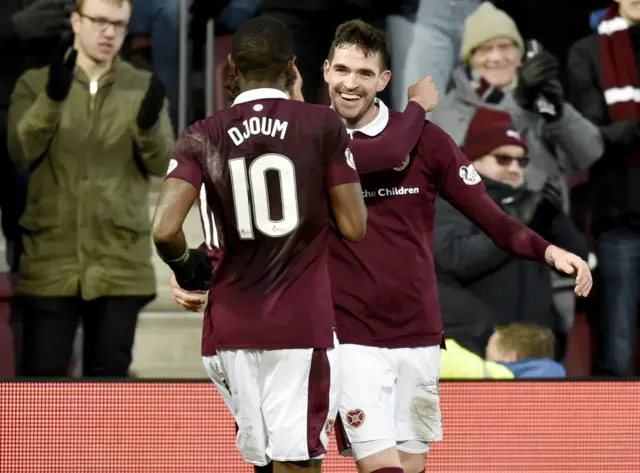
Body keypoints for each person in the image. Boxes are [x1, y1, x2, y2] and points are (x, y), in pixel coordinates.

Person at [321, 20, 591, 473]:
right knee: (380, 467)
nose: (351, 84)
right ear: (326, 70)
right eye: (343, 70)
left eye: (364, 74)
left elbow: (490, 217)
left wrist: (548, 250)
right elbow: (379, 156)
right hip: (352, 337)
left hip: (420, 335)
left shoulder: (429, 142)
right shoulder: (314, 139)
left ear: (383, 80)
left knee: (413, 466)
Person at [152, 16, 367, 473]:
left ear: (231, 66)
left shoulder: (199, 134)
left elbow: (164, 229)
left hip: (228, 331)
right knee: (298, 462)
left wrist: (189, 269)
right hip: (298, 328)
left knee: (263, 460)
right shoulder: (322, 125)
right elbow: (353, 225)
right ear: (293, 67)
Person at [7, 0, 174, 377]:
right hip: (52, 259)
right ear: (76, 21)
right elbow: (20, 149)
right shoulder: (35, 83)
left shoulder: (142, 85)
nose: (109, 32)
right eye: (99, 21)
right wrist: (51, 100)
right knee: (42, 387)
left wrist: (148, 127)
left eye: (119, 24)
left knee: (110, 389)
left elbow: (163, 164)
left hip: (119, 262)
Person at [434, 107, 589, 347]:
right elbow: (456, 258)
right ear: (474, 159)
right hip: (478, 347)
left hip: (535, 347)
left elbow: (579, 264)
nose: (515, 168)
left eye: (521, 161)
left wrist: (557, 222)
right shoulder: (451, 200)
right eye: (503, 159)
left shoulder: (531, 203)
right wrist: (517, 223)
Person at [567, 0, 640, 377]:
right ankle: (620, 434)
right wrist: (625, 132)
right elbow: (591, 135)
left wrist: (627, 130)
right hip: (622, 215)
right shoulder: (589, 51)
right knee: (619, 344)